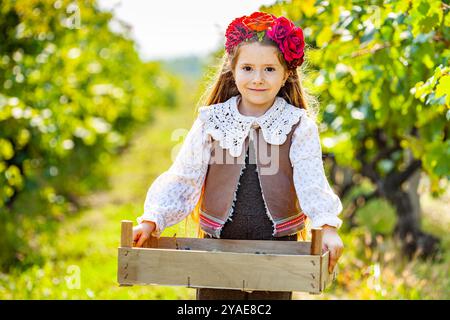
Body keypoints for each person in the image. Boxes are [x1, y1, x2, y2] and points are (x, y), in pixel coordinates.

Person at [132, 11, 344, 300]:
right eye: (248, 68)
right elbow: (185, 176)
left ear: (286, 74)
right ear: (232, 70)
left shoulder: (297, 125)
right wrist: (152, 219)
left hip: (278, 247)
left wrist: (327, 226)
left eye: (269, 69)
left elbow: (311, 181)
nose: (258, 78)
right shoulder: (212, 121)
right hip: (217, 244)